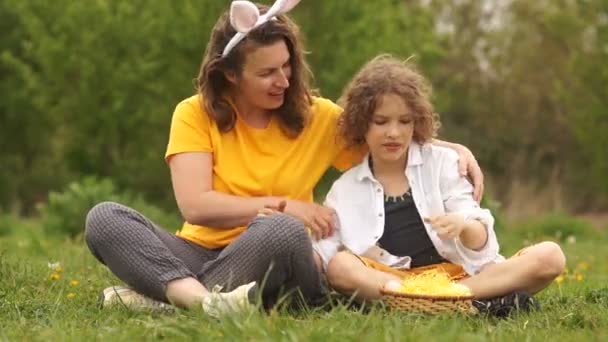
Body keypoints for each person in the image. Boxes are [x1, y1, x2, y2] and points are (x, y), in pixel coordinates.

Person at [84, 0, 483, 317]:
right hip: (203, 251)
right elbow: (196, 205)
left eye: (287, 66)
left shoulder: (318, 116)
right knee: (104, 218)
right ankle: (204, 303)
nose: (284, 80)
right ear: (230, 75)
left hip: (284, 257)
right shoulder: (193, 113)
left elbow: (389, 138)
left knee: (284, 231)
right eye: (268, 73)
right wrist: (283, 205)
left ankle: (171, 294)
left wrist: (454, 149)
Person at [312, 55, 566, 317]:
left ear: (416, 122)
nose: (394, 133)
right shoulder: (344, 190)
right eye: (381, 121)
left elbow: (482, 244)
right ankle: (468, 304)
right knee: (340, 266)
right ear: (361, 123)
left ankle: (438, 302)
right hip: (395, 282)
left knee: (550, 256)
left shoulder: (444, 162)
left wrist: (464, 226)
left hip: (460, 278)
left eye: (404, 121)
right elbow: (325, 257)